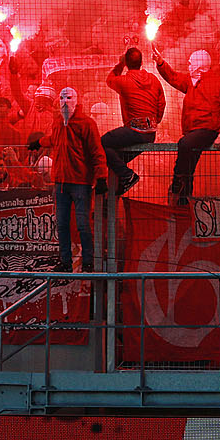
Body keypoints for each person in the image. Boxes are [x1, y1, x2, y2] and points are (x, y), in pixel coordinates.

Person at [31, 87, 107, 273]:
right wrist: (39, 142)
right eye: (62, 97)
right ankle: (65, 261)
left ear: (76, 100)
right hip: (62, 182)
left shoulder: (87, 123)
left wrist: (101, 176)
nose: (65, 101)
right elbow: (55, 140)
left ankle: (88, 261)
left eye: (69, 97)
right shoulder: (59, 123)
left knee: (82, 224)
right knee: (63, 224)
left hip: (80, 181)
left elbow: (96, 150)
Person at [153, 48, 220, 203]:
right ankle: (184, 202)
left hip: (206, 131)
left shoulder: (219, 84)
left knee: (184, 146)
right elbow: (172, 77)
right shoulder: (193, 82)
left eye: (191, 63)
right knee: (189, 167)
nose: (188, 65)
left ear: (199, 66)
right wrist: (160, 63)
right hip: (194, 133)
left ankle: (177, 186)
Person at [102, 47, 166, 197]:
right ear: (141, 62)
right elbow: (162, 104)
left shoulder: (123, 81)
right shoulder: (154, 80)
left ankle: (128, 176)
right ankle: (112, 198)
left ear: (127, 63)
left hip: (134, 133)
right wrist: (153, 123)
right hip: (150, 135)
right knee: (114, 159)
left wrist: (120, 65)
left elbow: (109, 79)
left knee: (102, 144)